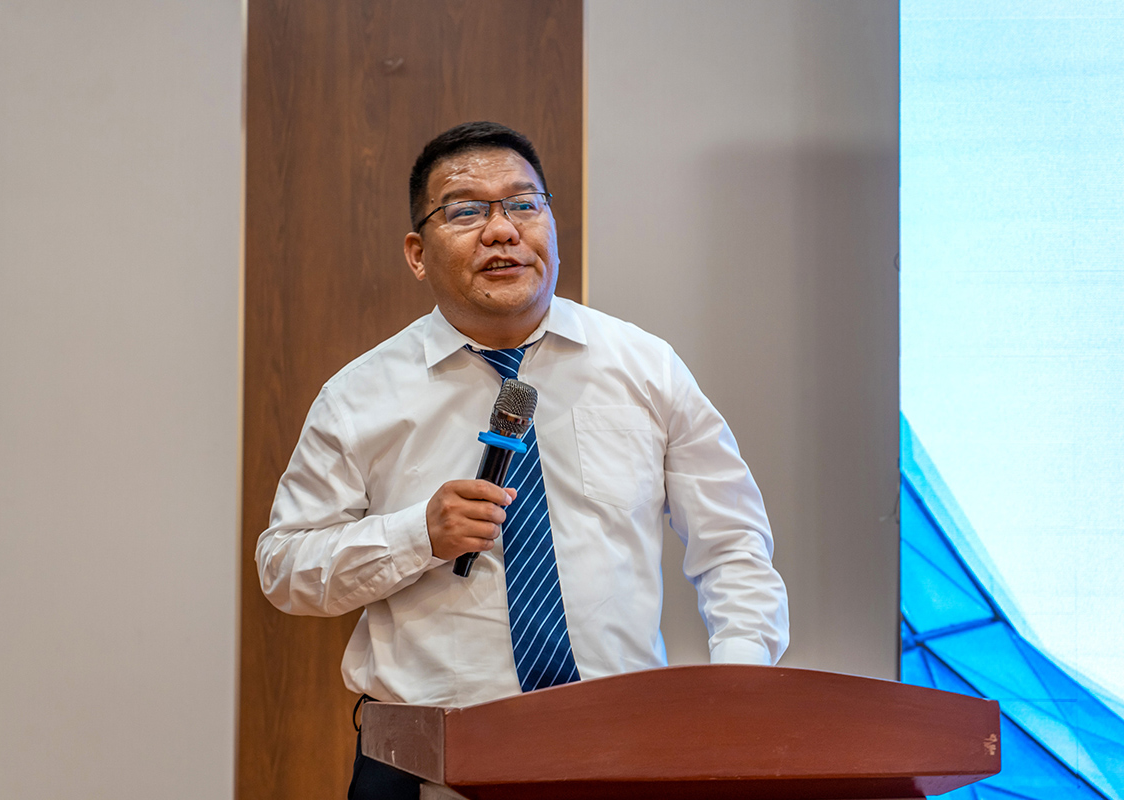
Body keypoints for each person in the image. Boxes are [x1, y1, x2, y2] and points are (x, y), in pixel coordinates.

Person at [256, 121, 789, 799]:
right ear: (417, 254)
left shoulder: (644, 368)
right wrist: (419, 535)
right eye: (466, 212)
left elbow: (734, 543)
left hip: (621, 752)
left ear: (551, 225)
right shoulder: (359, 395)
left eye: (523, 204)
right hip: (427, 766)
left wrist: (738, 687)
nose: (502, 231)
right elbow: (285, 567)